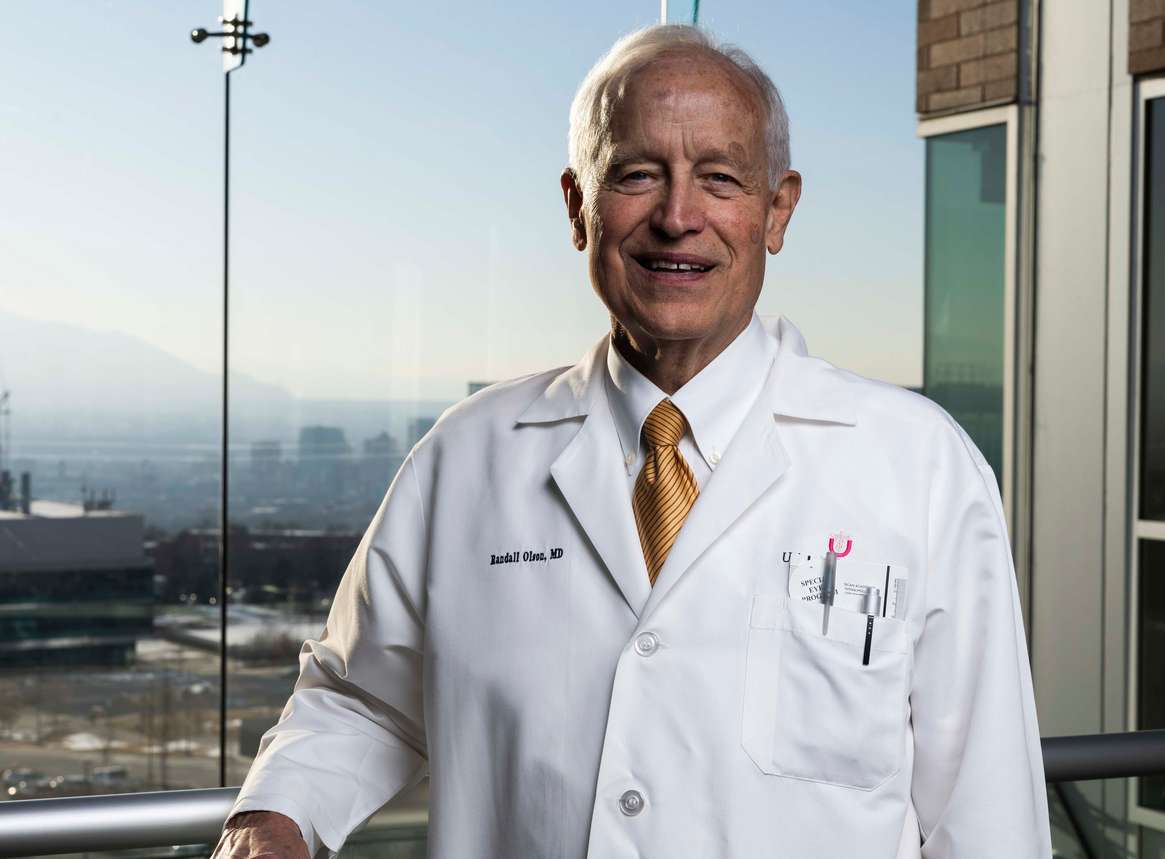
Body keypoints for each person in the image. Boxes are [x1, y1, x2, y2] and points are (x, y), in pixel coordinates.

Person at [213, 24, 1052, 859]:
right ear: (579, 207)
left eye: (719, 178)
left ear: (777, 209)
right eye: (637, 175)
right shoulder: (466, 457)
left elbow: (986, 815)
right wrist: (274, 816)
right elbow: (365, 698)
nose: (678, 218)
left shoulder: (919, 466)